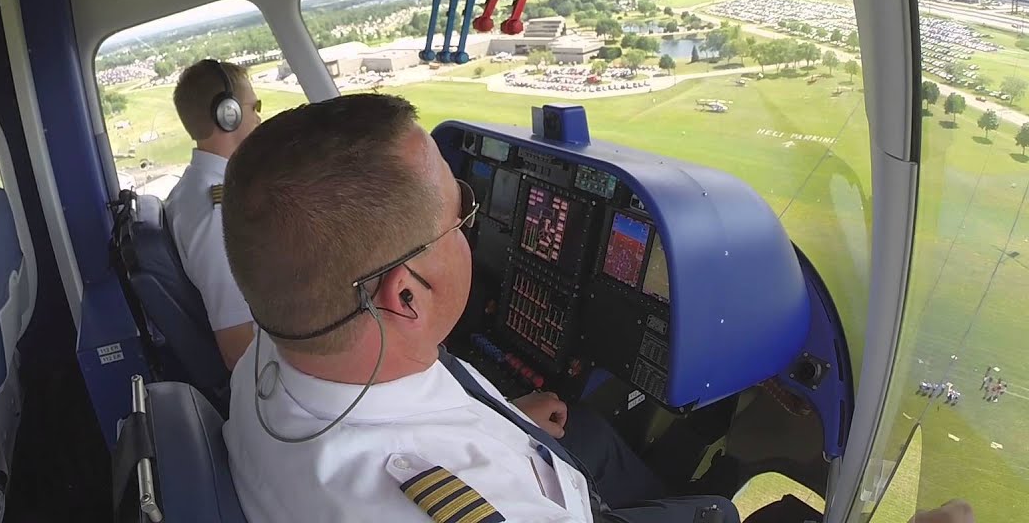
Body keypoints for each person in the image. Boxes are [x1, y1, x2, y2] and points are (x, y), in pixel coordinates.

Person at [220, 93, 739, 523]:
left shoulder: (273, 350)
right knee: (716, 510)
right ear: (406, 296)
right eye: (461, 213)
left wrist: (510, 422)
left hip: (530, 448)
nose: (471, 226)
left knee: (593, 433)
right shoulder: (467, 509)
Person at [163, 59, 261, 370]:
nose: (259, 117)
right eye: (254, 106)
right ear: (227, 114)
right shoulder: (218, 214)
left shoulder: (196, 189)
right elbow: (238, 348)